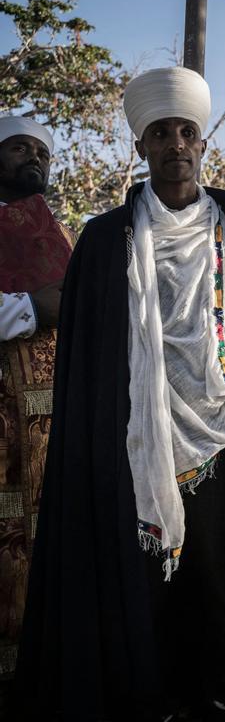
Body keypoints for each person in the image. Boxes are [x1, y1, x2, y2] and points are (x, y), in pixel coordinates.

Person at [18, 67, 225, 719]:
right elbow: (91, 357)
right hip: (135, 437)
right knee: (147, 572)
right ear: (142, 147)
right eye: (160, 133)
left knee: (217, 569)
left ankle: (223, 691)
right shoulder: (101, 239)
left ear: (203, 144)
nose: (175, 143)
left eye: (186, 132)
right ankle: (150, 698)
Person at [0, 117, 71, 684]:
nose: (35, 159)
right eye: (20, 147)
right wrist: (30, 307)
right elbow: (45, 304)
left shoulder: (62, 231)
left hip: (59, 425)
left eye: (43, 153)